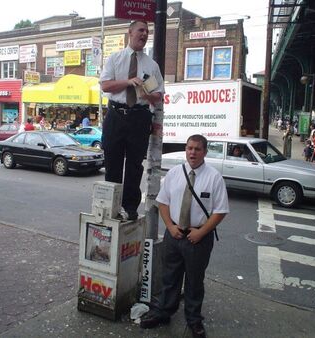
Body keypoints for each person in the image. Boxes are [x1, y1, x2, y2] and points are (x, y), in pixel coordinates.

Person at [140, 134, 229, 338]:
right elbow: (163, 202)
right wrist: (170, 227)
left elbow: (220, 211)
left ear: (205, 152)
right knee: (169, 277)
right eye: (189, 148)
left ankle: (194, 320)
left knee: (194, 281)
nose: (192, 152)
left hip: (199, 237)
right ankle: (164, 312)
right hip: (174, 235)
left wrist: (201, 232)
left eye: (197, 149)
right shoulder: (174, 173)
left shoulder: (214, 177)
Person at [100, 20, 164, 221]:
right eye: (141, 30)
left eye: (147, 31)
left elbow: (159, 94)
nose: (144, 34)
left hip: (139, 117)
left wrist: (148, 95)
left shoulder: (151, 65)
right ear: (130, 33)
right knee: (113, 163)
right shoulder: (115, 58)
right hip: (116, 116)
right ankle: (111, 207)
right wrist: (128, 82)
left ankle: (130, 208)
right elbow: (105, 85)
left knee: (135, 165)